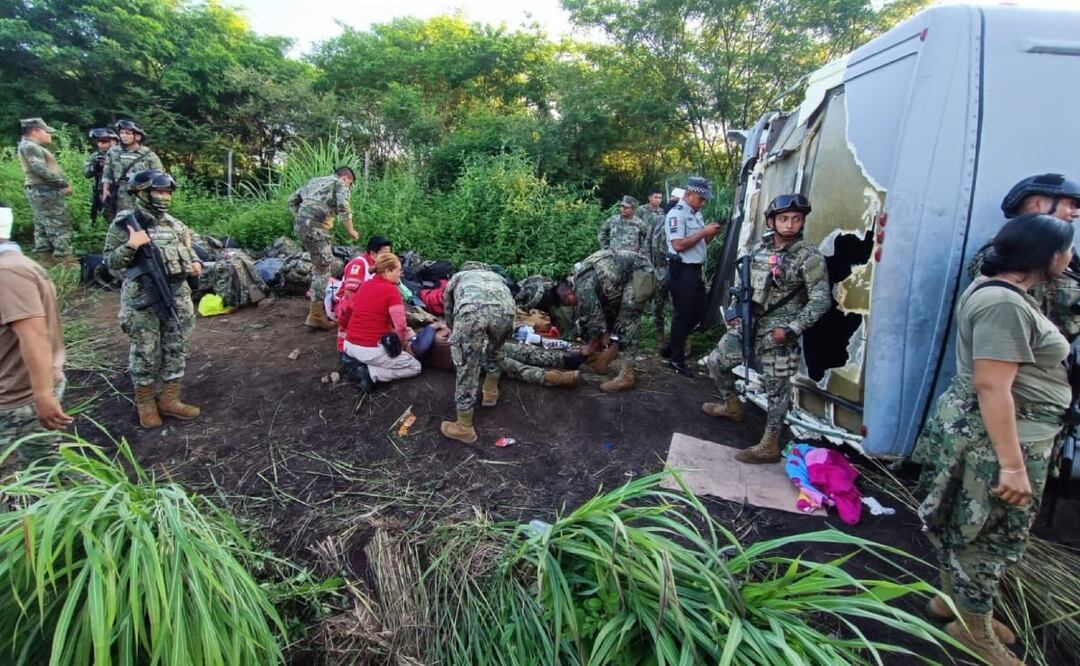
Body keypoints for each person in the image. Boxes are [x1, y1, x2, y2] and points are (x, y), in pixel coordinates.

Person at [917, 214, 1074, 666]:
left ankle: (955, 604)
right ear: (1047, 256)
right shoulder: (1002, 304)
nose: (1070, 256)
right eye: (1066, 248)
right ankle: (974, 631)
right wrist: (1012, 465)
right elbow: (992, 386)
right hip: (1001, 440)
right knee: (987, 535)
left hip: (1005, 434)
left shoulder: (1008, 294)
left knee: (964, 525)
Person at [702, 194, 830, 463]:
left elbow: (821, 301)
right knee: (715, 362)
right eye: (784, 219)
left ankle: (770, 444)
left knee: (776, 390)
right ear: (772, 221)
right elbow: (744, 286)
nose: (790, 225)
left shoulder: (809, 256)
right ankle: (733, 407)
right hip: (749, 323)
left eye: (796, 219)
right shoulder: (760, 250)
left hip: (779, 332)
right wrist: (735, 312)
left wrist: (792, 329)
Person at [103, 170, 202, 428]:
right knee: (145, 350)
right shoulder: (126, 223)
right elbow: (110, 263)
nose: (164, 197)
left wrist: (195, 263)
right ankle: (145, 402)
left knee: (176, 345)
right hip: (143, 295)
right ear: (142, 193)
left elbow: (189, 251)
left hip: (177, 294)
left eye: (167, 192)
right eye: (158, 191)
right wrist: (131, 245)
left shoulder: (175, 225)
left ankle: (170, 399)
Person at [968, 173, 1080, 341]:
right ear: (1037, 205)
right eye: (1071, 205)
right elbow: (1003, 317)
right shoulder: (1002, 256)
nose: (1076, 213)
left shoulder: (1066, 256)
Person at [0, 202, 72, 463]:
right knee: (46, 467)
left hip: (16, 397)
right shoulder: (18, 265)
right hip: (23, 391)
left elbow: (34, 335)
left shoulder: (8, 272)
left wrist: (43, 395)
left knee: (45, 467)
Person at [440, 263, 517, 444]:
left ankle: (464, 427)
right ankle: (490, 392)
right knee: (496, 348)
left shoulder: (459, 277)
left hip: (471, 313)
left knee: (467, 366)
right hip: (505, 313)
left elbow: (448, 307)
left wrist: (453, 329)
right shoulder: (497, 277)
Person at [661, 177, 723, 374]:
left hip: (695, 270)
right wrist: (703, 232)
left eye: (705, 200)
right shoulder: (676, 214)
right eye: (700, 199)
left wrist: (710, 233)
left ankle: (673, 344)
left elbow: (702, 243)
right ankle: (676, 360)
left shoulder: (696, 214)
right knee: (683, 315)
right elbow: (678, 244)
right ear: (688, 195)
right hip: (682, 270)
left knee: (699, 314)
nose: (703, 203)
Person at [573, 249, 657, 392]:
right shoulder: (581, 279)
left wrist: (588, 349)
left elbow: (596, 321)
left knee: (628, 318)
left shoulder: (583, 287)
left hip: (640, 271)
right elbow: (599, 318)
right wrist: (603, 338)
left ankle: (627, 376)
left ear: (569, 293)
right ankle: (604, 356)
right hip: (624, 274)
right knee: (610, 314)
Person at [288, 167, 359, 330]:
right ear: (346, 178)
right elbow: (344, 207)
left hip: (301, 227)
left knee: (318, 266)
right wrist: (351, 231)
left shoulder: (314, 181)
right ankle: (316, 316)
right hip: (316, 228)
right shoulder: (340, 183)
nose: (349, 186)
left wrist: (301, 218)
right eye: (350, 183)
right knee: (323, 270)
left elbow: (292, 200)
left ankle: (315, 310)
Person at [339, 252, 421, 389]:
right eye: (398, 270)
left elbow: (354, 312)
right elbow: (400, 326)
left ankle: (357, 363)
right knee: (415, 366)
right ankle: (370, 373)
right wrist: (400, 346)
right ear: (387, 271)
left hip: (349, 344)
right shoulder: (391, 290)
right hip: (369, 350)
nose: (401, 274)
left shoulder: (364, 285)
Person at [17, 118, 74, 260]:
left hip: (40, 190)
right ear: (35, 131)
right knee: (58, 223)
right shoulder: (30, 146)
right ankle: (64, 258)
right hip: (44, 190)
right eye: (47, 132)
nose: (50, 135)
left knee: (42, 223)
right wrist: (63, 184)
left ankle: (45, 257)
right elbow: (41, 170)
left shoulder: (29, 146)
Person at [333, 235, 393, 351]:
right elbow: (349, 295)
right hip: (347, 305)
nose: (388, 258)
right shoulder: (359, 264)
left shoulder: (380, 266)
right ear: (373, 254)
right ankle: (344, 347)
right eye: (385, 255)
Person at [100, 120, 163, 221]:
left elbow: (159, 178)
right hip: (119, 194)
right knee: (120, 222)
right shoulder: (113, 152)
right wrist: (105, 190)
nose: (123, 136)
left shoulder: (149, 155)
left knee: (142, 221)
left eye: (128, 133)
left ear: (138, 136)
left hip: (141, 195)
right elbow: (108, 173)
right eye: (121, 133)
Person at [83, 127, 119, 223]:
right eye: (98, 141)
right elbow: (86, 173)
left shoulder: (121, 154)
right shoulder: (95, 156)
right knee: (109, 216)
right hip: (103, 191)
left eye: (104, 141)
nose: (100, 144)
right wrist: (96, 167)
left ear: (113, 142)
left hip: (121, 190)